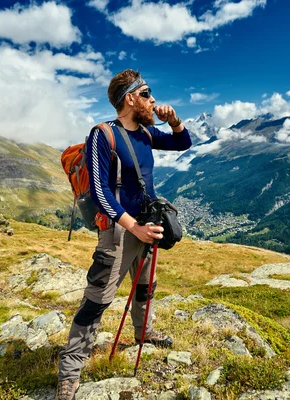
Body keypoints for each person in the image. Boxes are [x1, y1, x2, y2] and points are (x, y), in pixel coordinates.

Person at [56, 69, 192, 400]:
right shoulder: (103, 135)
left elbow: (182, 143)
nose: (153, 99)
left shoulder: (147, 133)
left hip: (146, 224)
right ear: (130, 98)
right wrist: (133, 226)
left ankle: (144, 333)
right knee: (97, 298)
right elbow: (101, 193)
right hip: (119, 230)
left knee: (145, 287)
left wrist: (174, 121)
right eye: (147, 94)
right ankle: (70, 370)